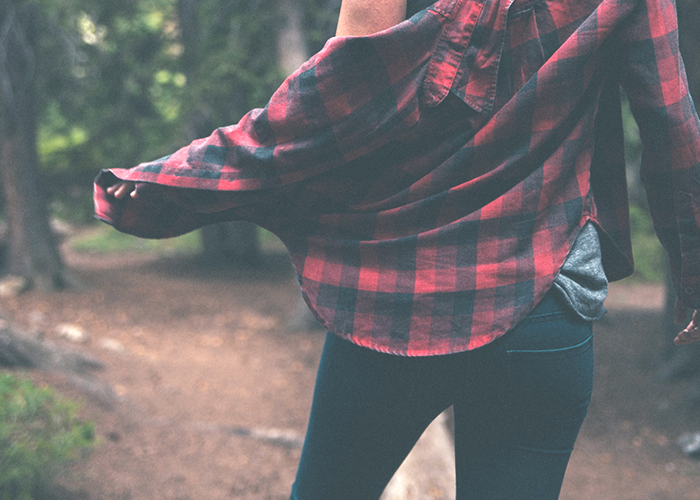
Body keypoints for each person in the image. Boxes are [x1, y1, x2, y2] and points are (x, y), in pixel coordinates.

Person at [95, 0, 700, 498]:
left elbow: (321, 108)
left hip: (395, 296)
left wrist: (175, 180)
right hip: (545, 303)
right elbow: (674, 133)